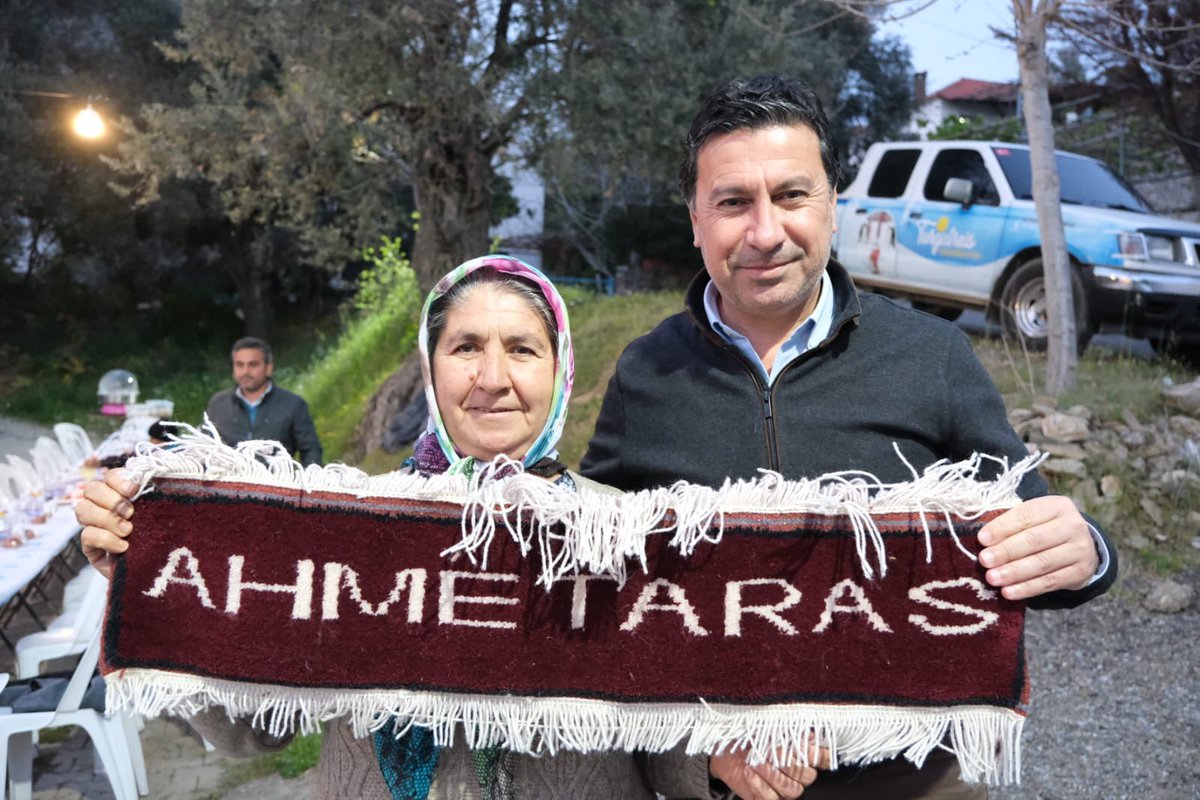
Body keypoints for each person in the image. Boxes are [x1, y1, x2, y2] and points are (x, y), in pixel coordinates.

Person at [579, 73, 1118, 800]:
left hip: (918, 786)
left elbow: (1031, 542)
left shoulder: (933, 356)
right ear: (695, 218)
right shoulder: (646, 371)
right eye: (733, 202)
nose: (765, 232)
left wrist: (1088, 553)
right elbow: (592, 587)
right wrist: (697, 753)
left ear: (834, 203)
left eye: (791, 195)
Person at [78, 256, 780, 800]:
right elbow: (247, 730)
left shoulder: (619, 533)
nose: (493, 377)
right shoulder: (349, 527)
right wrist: (151, 583)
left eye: (524, 349)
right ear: (430, 366)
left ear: (560, 370)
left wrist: (719, 765)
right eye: (466, 346)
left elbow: (659, 734)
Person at [205, 336, 323, 466]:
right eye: (240, 365)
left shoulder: (293, 405)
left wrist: (308, 481)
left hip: (277, 482)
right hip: (227, 482)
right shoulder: (219, 404)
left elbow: (311, 451)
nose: (246, 371)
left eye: (253, 365)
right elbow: (204, 448)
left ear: (269, 367)